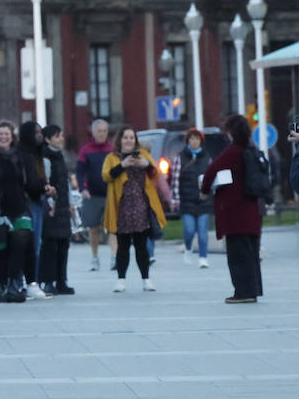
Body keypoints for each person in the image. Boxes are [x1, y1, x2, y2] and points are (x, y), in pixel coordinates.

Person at [202, 115, 263, 303]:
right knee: (252, 256)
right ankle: (253, 291)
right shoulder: (252, 150)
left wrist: (204, 190)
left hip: (236, 214)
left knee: (237, 257)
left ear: (231, 132)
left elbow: (212, 170)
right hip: (253, 211)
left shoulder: (234, 151)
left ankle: (242, 293)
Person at [0, 120, 36, 303]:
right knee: (0, 250)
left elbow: (29, 181)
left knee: (21, 240)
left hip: (19, 207)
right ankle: (0, 286)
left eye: (7, 134)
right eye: (0, 134)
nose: (4, 137)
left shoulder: (20, 156)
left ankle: (13, 283)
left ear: (12, 136)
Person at [102, 126, 165, 293]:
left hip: (140, 206)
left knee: (141, 246)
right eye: (125, 137)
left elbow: (156, 174)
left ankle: (146, 279)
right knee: (122, 246)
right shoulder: (112, 157)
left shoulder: (143, 154)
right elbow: (106, 176)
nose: (129, 140)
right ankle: (121, 279)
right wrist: (122, 165)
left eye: (131, 137)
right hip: (121, 207)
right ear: (120, 140)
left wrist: (146, 165)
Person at [18, 122, 56, 298]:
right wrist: (44, 188)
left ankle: (32, 281)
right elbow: (29, 183)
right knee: (29, 245)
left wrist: (45, 188)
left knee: (36, 244)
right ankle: (27, 282)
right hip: (27, 203)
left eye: (41, 132)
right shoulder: (24, 155)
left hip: (36, 201)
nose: (40, 135)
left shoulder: (37, 154)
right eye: (36, 132)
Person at [37, 125, 75, 296]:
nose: (61, 138)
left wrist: (71, 203)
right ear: (48, 139)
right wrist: (50, 203)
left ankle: (62, 281)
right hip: (52, 207)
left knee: (63, 245)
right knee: (50, 246)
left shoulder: (60, 156)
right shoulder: (45, 158)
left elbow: (65, 182)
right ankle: (48, 281)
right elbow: (46, 182)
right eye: (58, 136)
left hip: (63, 205)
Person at [172, 127, 214, 269]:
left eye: (197, 139)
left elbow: (212, 178)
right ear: (188, 141)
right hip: (187, 201)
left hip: (204, 201)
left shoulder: (207, 158)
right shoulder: (180, 157)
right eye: (191, 139)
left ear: (201, 141)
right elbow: (175, 180)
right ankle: (188, 248)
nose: (194, 141)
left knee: (202, 232)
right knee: (189, 230)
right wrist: (175, 198)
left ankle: (203, 257)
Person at [76, 118, 114, 271]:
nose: (102, 134)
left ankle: (114, 257)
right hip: (92, 195)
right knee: (93, 228)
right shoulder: (86, 150)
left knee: (112, 228)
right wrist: (82, 189)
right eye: (99, 131)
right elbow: (80, 172)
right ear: (93, 132)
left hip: (110, 194)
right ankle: (95, 257)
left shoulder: (112, 149)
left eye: (105, 131)